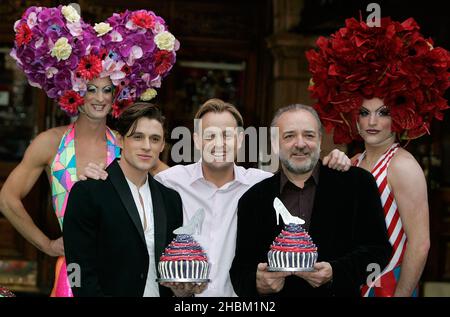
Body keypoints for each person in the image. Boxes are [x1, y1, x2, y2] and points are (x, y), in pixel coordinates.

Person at [0, 5, 178, 297]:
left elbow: (174, 183)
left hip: (122, 276)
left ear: (117, 94)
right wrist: (46, 244)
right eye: (90, 88)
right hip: (74, 275)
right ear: (74, 89)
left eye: (107, 90)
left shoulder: (126, 143)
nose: (99, 98)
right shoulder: (51, 143)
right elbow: (7, 199)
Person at [306, 17, 449, 296]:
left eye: (383, 112)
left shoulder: (402, 166)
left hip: (387, 284)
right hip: (350, 284)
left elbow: (420, 244)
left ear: (397, 117)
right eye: (364, 112)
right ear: (353, 119)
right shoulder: (354, 161)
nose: (372, 121)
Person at [229, 104, 392, 297]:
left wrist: (335, 272)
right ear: (274, 143)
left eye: (309, 135)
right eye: (289, 136)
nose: (300, 143)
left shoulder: (357, 184)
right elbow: (240, 271)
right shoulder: (253, 199)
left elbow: (378, 250)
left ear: (320, 140)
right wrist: (258, 283)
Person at [63, 102, 201, 297]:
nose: (146, 146)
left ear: (162, 145)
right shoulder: (88, 192)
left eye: (154, 139)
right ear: (120, 140)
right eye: (137, 137)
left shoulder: (171, 200)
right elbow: (77, 267)